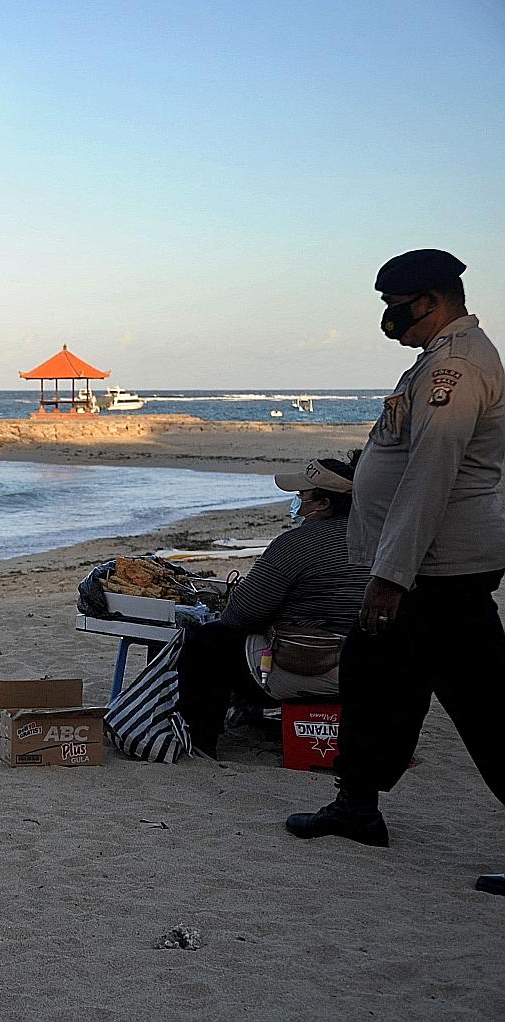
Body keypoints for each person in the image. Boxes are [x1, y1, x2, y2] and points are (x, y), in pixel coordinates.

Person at [285, 250, 505, 899]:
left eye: (395, 308)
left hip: (438, 575)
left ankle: (357, 803)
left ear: (432, 301)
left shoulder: (456, 368)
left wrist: (392, 575)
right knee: (376, 676)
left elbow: (429, 476)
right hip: (416, 571)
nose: (388, 321)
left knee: (490, 709)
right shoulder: (436, 358)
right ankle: (357, 806)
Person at [175, 454, 369, 757]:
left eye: (301, 495)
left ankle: (200, 741)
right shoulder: (380, 539)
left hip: (307, 662)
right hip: (366, 667)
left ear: (322, 504)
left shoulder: (296, 543)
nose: (297, 502)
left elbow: (241, 614)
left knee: (207, 642)